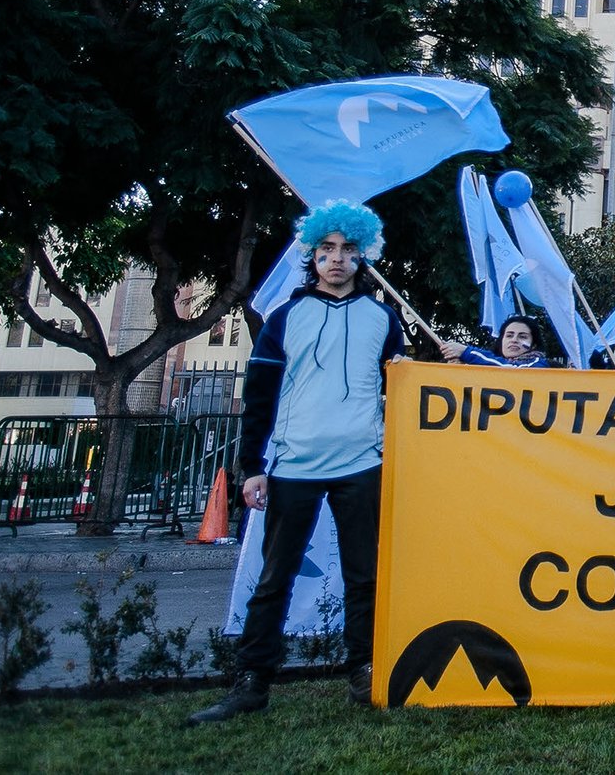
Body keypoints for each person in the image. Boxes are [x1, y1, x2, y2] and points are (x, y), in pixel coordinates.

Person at [191, 202, 405, 722]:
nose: (337, 259)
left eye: (348, 250)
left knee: (364, 575)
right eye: (327, 249)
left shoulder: (384, 318)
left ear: (363, 256)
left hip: (362, 462)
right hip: (292, 466)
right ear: (311, 255)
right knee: (274, 578)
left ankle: (365, 670)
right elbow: (258, 396)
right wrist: (251, 467)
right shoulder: (284, 318)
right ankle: (252, 681)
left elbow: (404, 390)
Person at [423, 313, 553, 368]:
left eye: (522, 336)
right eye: (509, 335)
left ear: (533, 344)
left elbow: (511, 370)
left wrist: (466, 351)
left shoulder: (537, 364)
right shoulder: (490, 364)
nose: (514, 340)